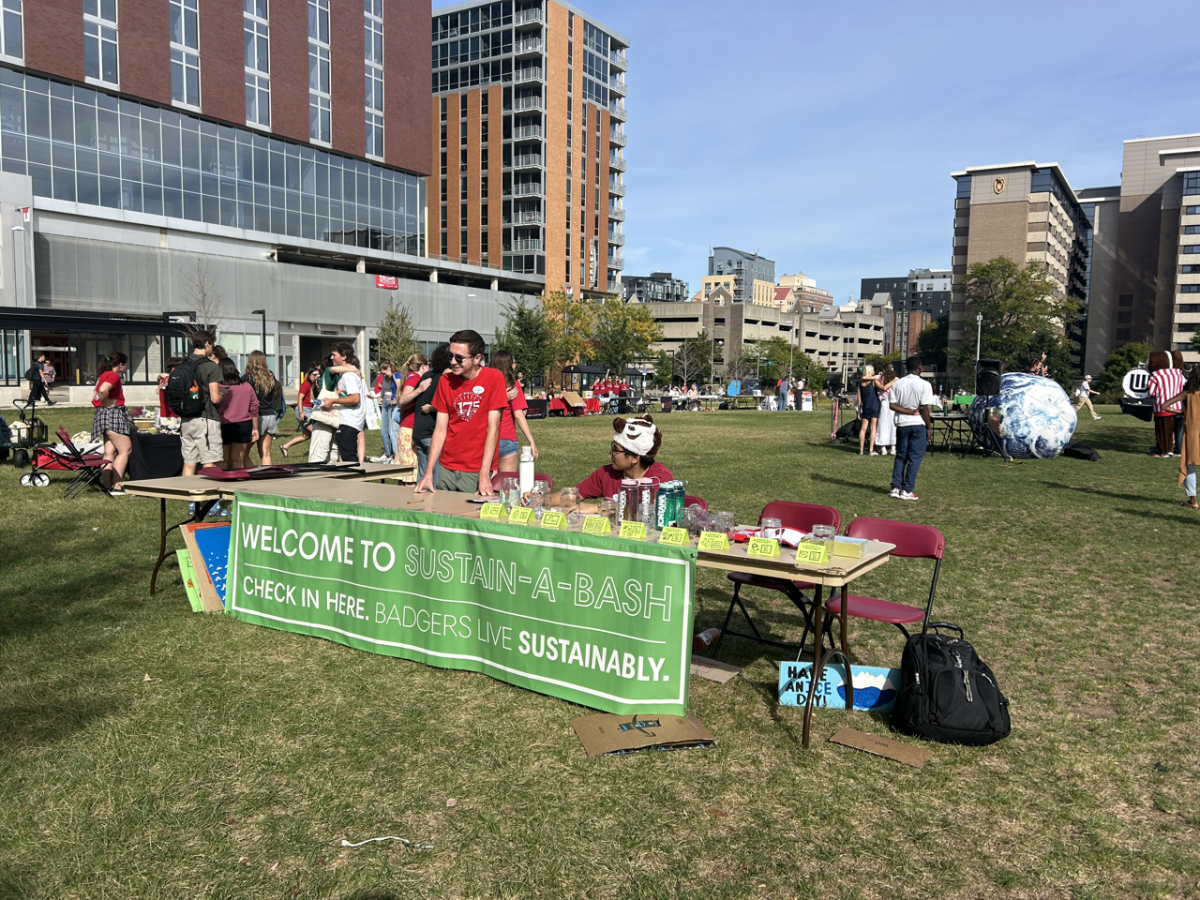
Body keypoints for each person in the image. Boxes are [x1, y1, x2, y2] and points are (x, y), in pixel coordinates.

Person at [414, 329, 506, 495]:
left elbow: (493, 429)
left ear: (477, 358)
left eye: (459, 358)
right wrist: (428, 472)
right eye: (451, 356)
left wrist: (484, 473)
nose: (453, 362)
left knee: (472, 518)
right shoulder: (445, 381)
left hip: (476, 470)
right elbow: (440, 430)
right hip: (446, 468)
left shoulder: (494, 378)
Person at [537, 416, 672, 513]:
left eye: (615, 449)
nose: (610, 453)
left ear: (635, 458)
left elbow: (648, 512)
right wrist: (542, 500)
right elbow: (573, 495)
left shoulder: (661, 479)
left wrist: (599, 508)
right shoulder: (606, 473)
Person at [887, 355, 935, 501]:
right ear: (919, 367)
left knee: (901, 456)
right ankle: (907, 490)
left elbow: (892, 405)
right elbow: (924, 408)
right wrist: (929, 426)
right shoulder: (924, 384)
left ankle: (896, 487)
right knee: (914, 458)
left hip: (902, 424)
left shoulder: (898, 383)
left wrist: (906, 411)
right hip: (918, 424)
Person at [179, 330, 225, 479]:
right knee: (209, 462)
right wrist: (223, 394)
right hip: (206, 418)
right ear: (207, 344)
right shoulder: (211, 367)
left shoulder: (183, 365)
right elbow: (215, 398)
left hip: (186, 419)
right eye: (212, 344)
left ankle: (189, 499)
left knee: (189, 462)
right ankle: (208, 499)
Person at [490, 349, 539, 474]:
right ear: (508, 365)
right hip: (507, 438)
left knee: (486, 485)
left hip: (486, 438)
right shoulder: (513, 385)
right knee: (507, 484)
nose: (515, 365)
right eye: (514, 362)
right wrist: (531, 441)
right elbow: (519, 416)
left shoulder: (486, 385)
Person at [90, 352, 132, 494]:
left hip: (102, 414)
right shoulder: (113, 376)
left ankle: (107, 486)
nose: (125, 368)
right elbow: (103, 390)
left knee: (109, 453)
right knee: (125, 450)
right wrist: (106, 401)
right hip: (112, 414)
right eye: (125, 365)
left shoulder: (104, 374)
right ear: (120, 365)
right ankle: (117, 486)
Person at [318, 350, 367, 465]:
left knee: (349, 460)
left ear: (344, 357)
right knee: (344, 457)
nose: (331, 358)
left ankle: (357, 480)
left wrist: (333, 400)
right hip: (350, 421)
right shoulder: (349, 374)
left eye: (334, 355)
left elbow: (355, 399)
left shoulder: (348, 377)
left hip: (349, 422)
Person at [412, 343, 451, 486]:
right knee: (433, 477)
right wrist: (432, 408)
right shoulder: (446, 380)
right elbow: (447, 404)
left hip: (419, 432)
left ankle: (419, 503)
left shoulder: (427, 376)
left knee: (422, 474)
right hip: (432, 433)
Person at [1165, 367, 1200, 509]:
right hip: (1192, 430)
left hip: (1190, 431)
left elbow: (1165, 405)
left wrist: (1180, 411)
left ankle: (1193, 500)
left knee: (1189, 465)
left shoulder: (1187, 394)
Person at [217, 357, 259, 470]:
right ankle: (237, 482)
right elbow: (254, 406)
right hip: (244, 425)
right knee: (238, 460)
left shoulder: (218, 388)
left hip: (222, 425)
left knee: (223, 459)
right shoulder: (246, 386)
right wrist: (255, 428)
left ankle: (223, 482)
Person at [243, 350, 283, 465]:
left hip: (256, 417)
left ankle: (250, 474)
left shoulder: (247, 378)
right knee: (266, 454)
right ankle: (269, 478)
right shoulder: (270, 376)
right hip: (270, 416)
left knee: (243, 453)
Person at [1148, 351, 1185, 457]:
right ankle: (1177, 449)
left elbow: (1151, 392)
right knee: (1175, 430)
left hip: (1162, 407)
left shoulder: (1155, 376)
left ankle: (1164, 450)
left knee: (1162, 430)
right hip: (1178, 407)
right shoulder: (1179, 375)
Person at [396, 353, 431, 468]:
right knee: (410, 472)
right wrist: (419, 390)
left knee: (405, 473)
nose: (429, 368)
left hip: (407, 427)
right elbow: (403, 400)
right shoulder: (415, 379)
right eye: (428, 365)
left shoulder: (411, 377)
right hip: (409, 428)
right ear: (422, 366)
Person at [281, 366, 321, 458]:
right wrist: (301, 412)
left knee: (306, 436)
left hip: (309, 409)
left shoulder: (313, 385)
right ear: (309, 375)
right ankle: (316, 454)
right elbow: (299, 398)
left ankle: (285, 447)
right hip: (304, 410)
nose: (316, 377)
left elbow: (312, 400)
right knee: (316, 432)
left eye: (318, 375)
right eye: (314, 375)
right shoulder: (306, 384)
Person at [376, 361, 398, 463]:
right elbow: (384, 391)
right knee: (384, 430)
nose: (383, 375)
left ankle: (393, 455)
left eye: (384, 372)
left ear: (389, 369)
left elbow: (399, 389)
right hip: (386, 400)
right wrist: (374, 396)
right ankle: (387, 453)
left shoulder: (396, 376)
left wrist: (395, 400)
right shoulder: (386, 378)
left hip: (391, 402)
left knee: (391, 430)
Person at [875, 363, 899, 456]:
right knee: (892, 424)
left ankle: (883, 447)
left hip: (885, 402)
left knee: (883, 425)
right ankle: (893, 447)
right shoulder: (896, 379)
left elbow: (883, 387)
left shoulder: (880, 378)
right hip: (893, 403)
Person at [857, 365, 881, 455]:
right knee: (873, 427)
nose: (874, 372)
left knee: (863, 429)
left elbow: (859, 399)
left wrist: (859, 410)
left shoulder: (860, 383)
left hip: (865, 406)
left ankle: (861, 450)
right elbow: (882, 388)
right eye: (873, 371)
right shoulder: (874, 381)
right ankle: (871, 450)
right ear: (870, 372)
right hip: (874, 405)